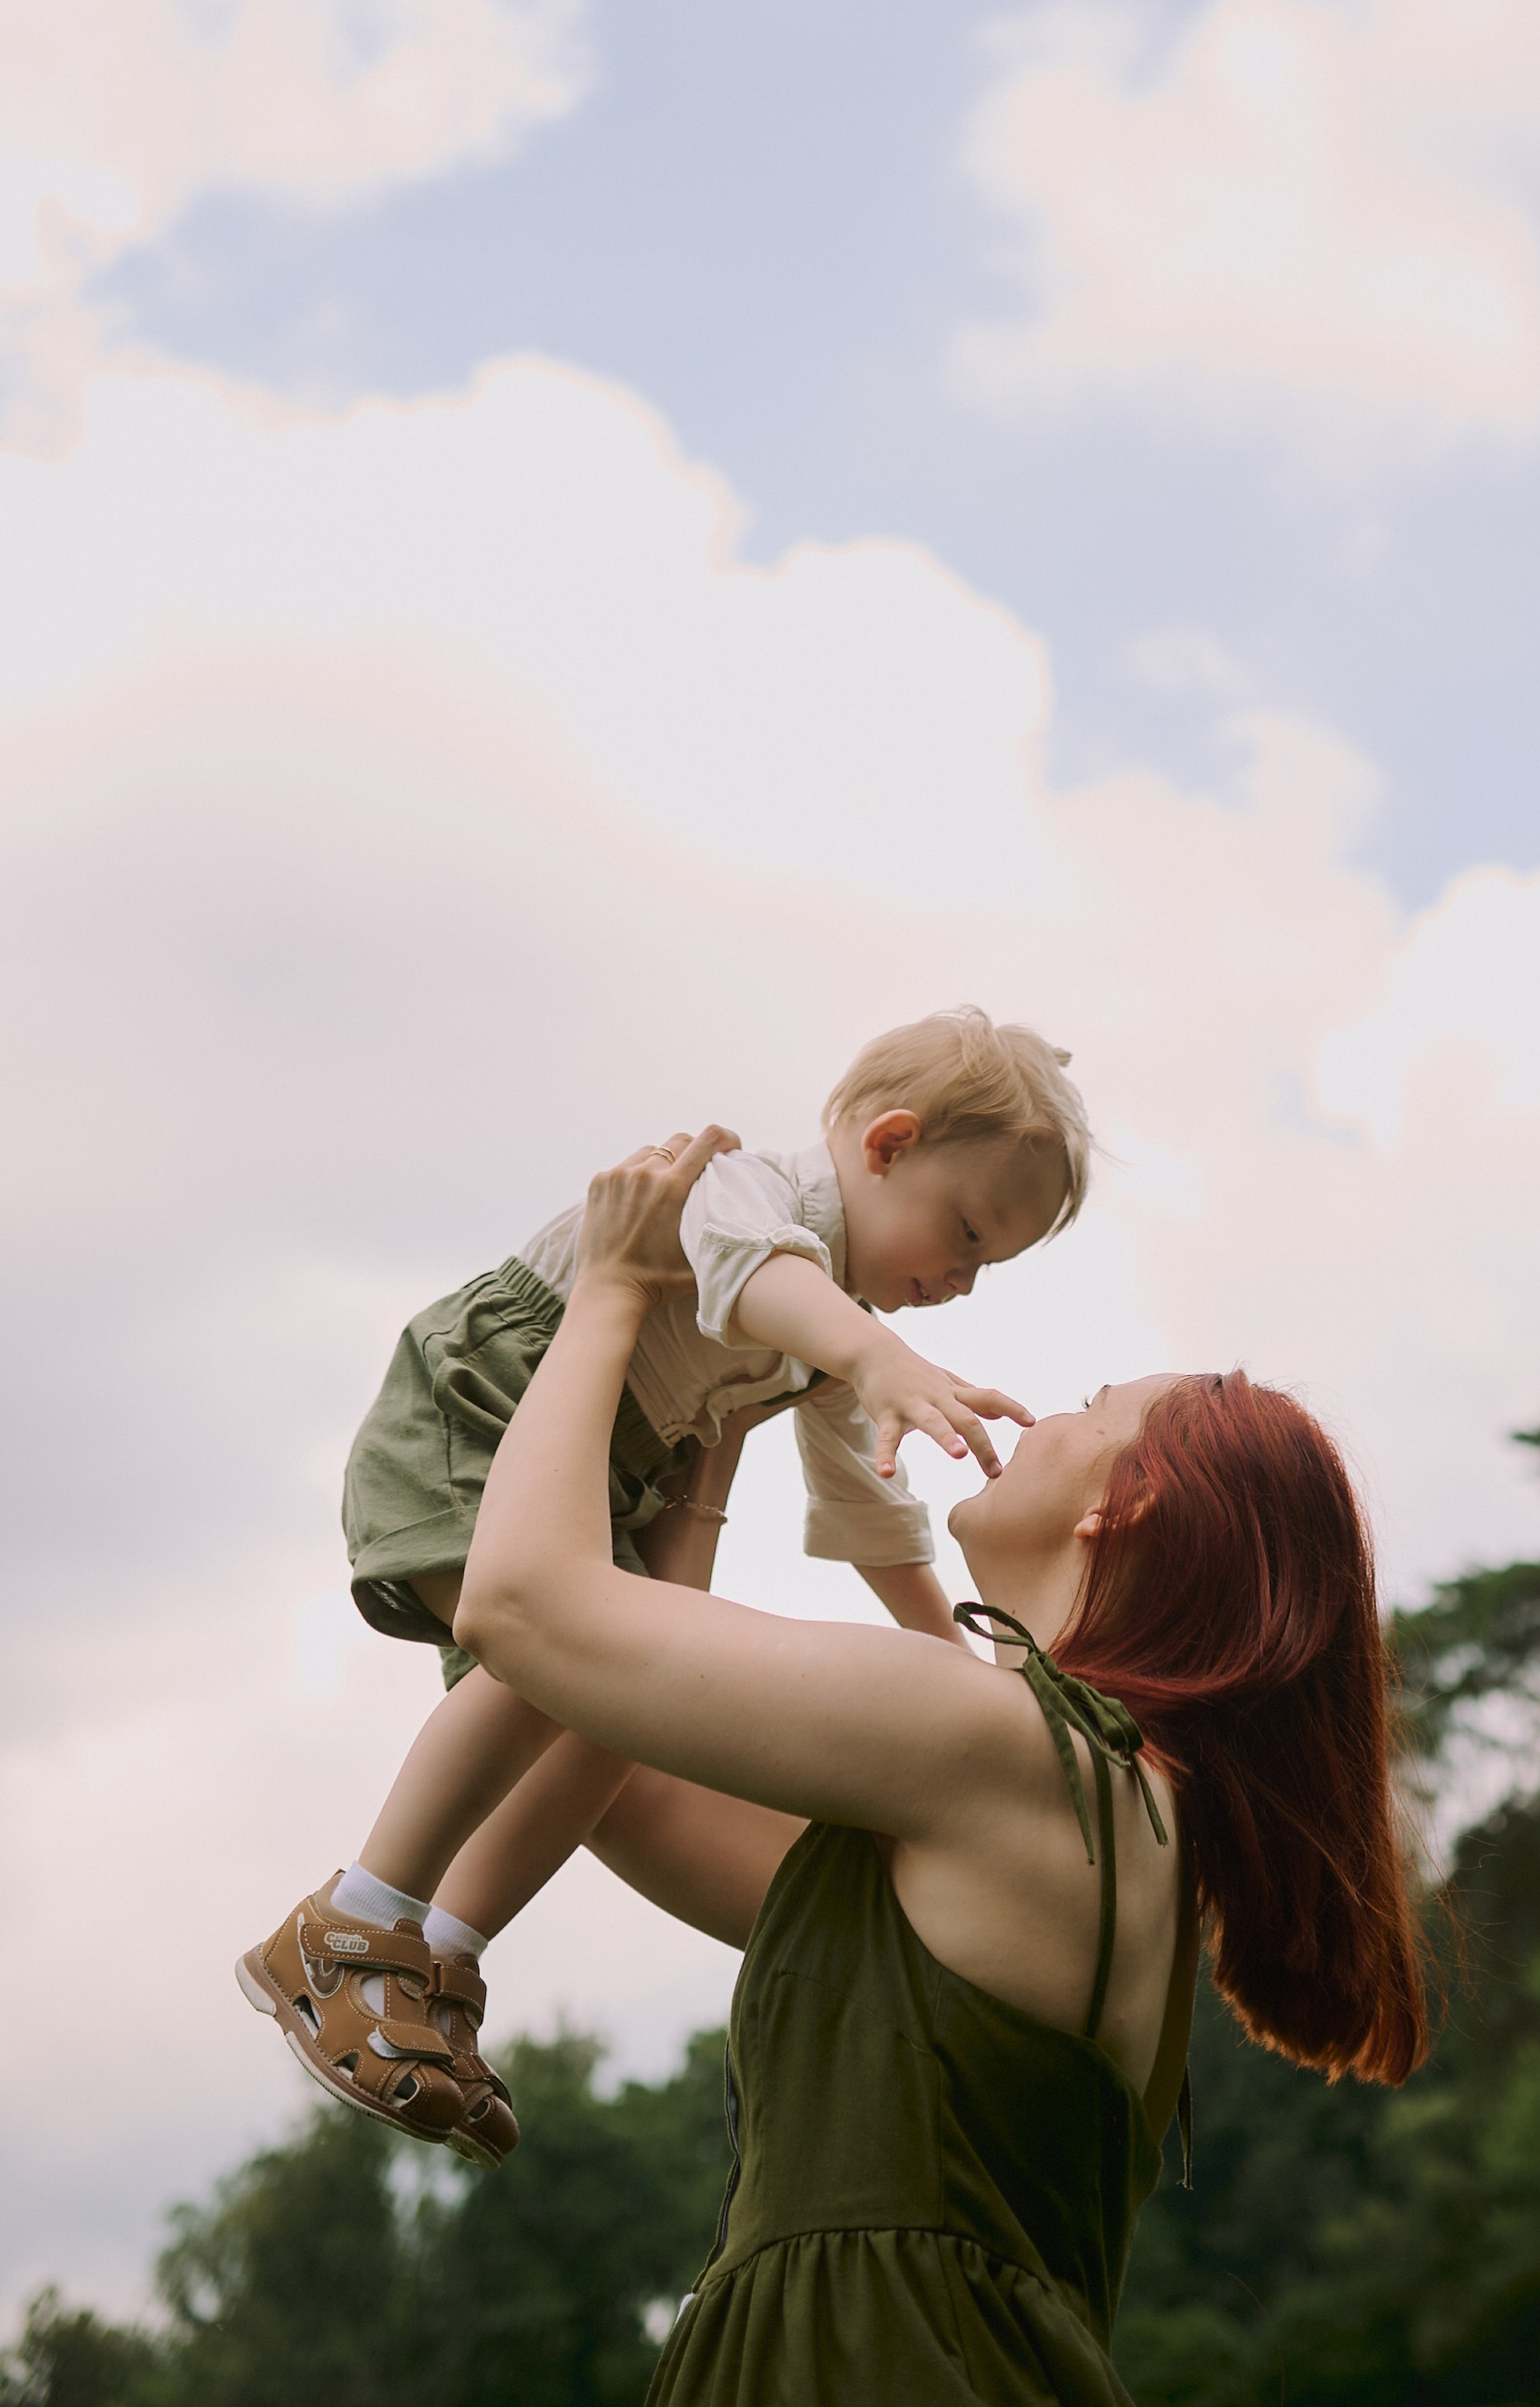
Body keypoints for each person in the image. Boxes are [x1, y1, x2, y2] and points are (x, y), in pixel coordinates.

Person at [454, 1128, 1431, 2407]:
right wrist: (715, 1436)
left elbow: (522, 1606)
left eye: (1092, 1410)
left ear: (1119, 1506)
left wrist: (613, 1289)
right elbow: (622, 1766)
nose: (1048, 1411)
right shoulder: (1111, 1808)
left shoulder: (997, 1744)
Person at [238, 1011, 1088, 2163]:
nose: (962, 1282)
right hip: (486, 1403)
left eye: (989, 1265)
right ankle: (353, 1920)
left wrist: (962, 1655)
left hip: (608, 1470)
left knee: (626, 1712)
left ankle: (441, 1953)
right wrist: (878, 1355)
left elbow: (871, 1505)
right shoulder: (751, 1188)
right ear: (887, 1145)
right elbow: (750, 1272)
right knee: (566, 1658)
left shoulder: (833, 1333)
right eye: (969, 1233)